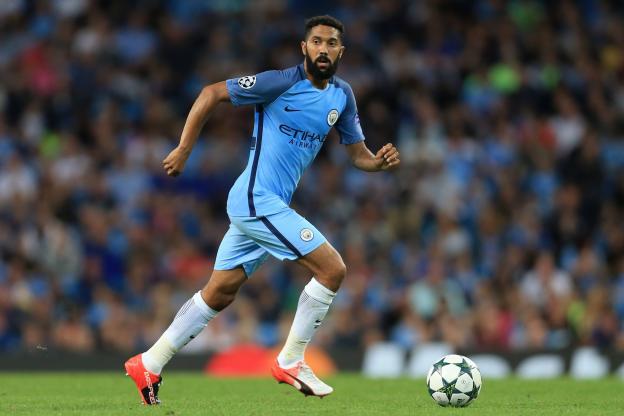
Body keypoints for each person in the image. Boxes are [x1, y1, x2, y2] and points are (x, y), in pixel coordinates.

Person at [124, 15, 400, 405]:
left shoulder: (343, 95)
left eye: (332, 43)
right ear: (304, 48)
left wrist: (379, 163)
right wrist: (185, 148)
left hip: (266, 204)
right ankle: (290, 360)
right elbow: (210, 93)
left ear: (342, 51)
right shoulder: (279, 82)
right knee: (332, 269)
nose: (323, 49)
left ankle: (149, 362)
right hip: (256, 199)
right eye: (317, 42)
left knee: (219, 293)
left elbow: (358, 156)